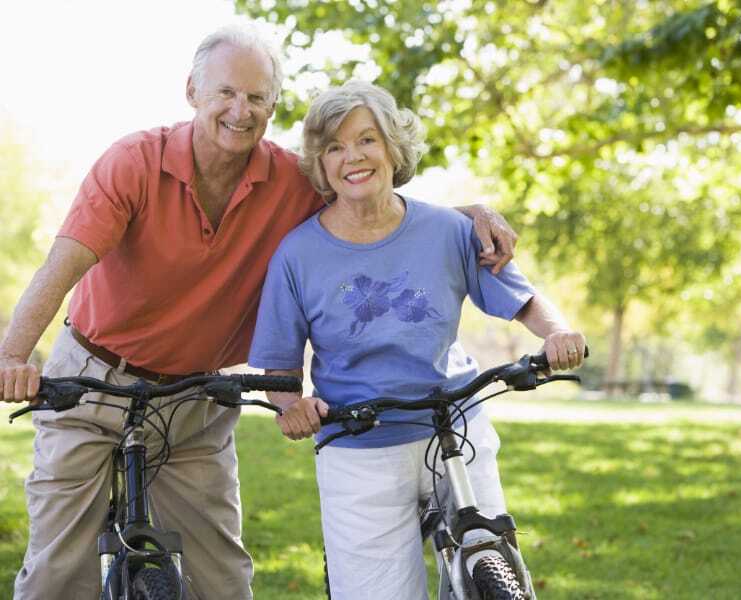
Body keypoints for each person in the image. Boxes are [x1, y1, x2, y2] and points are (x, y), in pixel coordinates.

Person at [0, 26, 518, 600]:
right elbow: (62, 264)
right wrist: (13, 356)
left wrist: (466, 215)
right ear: (192, 91)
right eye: (225, 93)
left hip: (197, 399)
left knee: (222, 578)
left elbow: (374, 203)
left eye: (256, 98)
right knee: (57, 572)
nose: (239, 111)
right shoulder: (134, 163)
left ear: (273, 106)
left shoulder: (291, 181)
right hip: (93, 382)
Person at [247, 80, 586, 599]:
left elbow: (524, 301)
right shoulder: (296, 255)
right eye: (334, 146)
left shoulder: (448, 230)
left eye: (367, 139)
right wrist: (291, 405)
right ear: (320, 163)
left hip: (455, 426)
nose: (352, 157)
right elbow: (277, 369)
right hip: (358, 442)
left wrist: (558, 333)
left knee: (495, 567)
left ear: (392, 147)